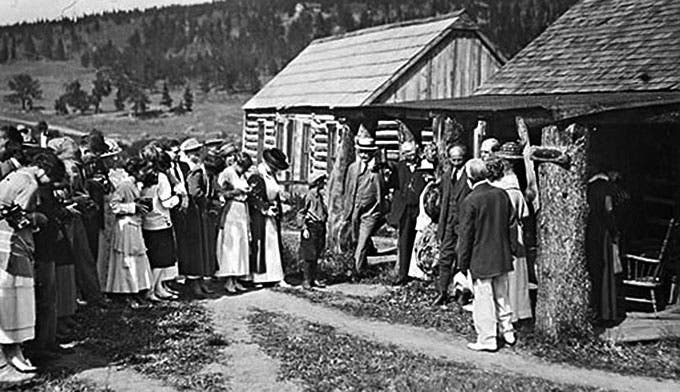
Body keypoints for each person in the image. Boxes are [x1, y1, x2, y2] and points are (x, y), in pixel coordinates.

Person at [1, 152, 63, 378]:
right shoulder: (30, 184)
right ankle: (8, 360)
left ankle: (13, 354)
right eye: (52, 178)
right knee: (16, 303)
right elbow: (20, 219)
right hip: (13, 247)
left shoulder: (15, 176)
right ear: (44, 171)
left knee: (7, 304)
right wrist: (39, 219)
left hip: (3, 244)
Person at [457, 158, 515, 352]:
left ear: (470, 178)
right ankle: (508, 331)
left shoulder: (470, 201)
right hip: (502, 252)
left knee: (483, 299)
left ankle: (487, 338)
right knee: (502, 295)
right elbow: (511, 222)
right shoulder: (501, 195)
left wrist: (462, 263)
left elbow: (465, 236)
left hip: (481, 255)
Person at [487, 143, 533, 323]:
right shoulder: (510, 185)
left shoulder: (509, 186)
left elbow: (518, 213)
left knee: (510, 272)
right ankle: (512, 310)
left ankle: (513, 311)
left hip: (509, 231)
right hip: (510, 229)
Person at [104, 158, 153, 306]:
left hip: (134, 225)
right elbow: (114, 205)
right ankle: (126, 292)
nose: (148, 173)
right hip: (125, 226)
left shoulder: (135, 185)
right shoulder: (125, 186)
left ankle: (136, 290)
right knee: (127, 260)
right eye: (145, 170)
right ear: (137, 171)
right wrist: (132, 207)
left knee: (136, 259)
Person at [342, 126, 387, 279]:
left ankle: (356, 272)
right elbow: (347, 190)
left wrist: (377, 168)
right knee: (354, 241)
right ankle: (359, 265)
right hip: (355, 210)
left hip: (371, 212)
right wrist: (347, 211)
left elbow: (382, 189)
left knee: (362, 241)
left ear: (373, 153)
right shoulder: (353, 168)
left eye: (367, 152)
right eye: (362, 152)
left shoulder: (377, 170)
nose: (364, 155)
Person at [140, 146, 180, 301]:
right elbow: (166, 201)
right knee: (161, 259)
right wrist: (178, 198)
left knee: (156, 258)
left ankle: (158, 287)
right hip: (160, 220)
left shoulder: (146, 175)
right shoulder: (161, 177)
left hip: (148, 220)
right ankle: (151, 289)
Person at [434, 144, 470, 307]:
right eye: (453, 160)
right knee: (444, 257)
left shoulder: (469, 176)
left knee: (463, 259)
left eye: (459, 160)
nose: (456, 163)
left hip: (464, 223)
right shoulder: (447, 176)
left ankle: (462, 292)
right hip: (448, 221)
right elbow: (444, 201)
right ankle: (442, 291)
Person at [388, 140, 428, 286]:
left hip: (419, 209)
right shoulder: (400, 167)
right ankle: (403, 275)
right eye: (405, 154)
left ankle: (419, 275)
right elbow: (391, 185)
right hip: (405, 209)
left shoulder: (425, 166)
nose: (408, 156)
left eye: (410, 153)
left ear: (417, 150)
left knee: (420, 241)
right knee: (404, 241)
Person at [248, 148, 290, 286]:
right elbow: (254, 198)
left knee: (273, 245)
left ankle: (276, 275)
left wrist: (278, 205)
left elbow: (274, 192)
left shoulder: (272, 176)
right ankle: (259, 277)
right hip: (260, 216)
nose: (275, 169)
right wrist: (265, 208)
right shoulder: (257, 176)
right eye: (273, 166)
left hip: (272, 214)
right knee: (260, 243)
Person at [586, 165, 621, 325]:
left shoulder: (587, 187)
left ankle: (594, 308)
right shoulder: (607, 187)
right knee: (606, 270)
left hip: (590, 231)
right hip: (604, 232)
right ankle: (606, 312)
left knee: (594, 271)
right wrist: (614, 231)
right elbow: (609, 209)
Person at [215, 153, 253, 293]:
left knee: (241, 244)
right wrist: (235, 192)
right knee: (232, 243)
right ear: (237, 163)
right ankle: (228, 279)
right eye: (242, 167)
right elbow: (220, 192)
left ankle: (237, 278)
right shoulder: (227, 173)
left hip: (242, 209)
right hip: (231, 209)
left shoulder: (241, 175)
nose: (243, 170)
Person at [298, 172, 329, 289]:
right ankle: (306, 279)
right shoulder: (309, 196)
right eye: (322, 181)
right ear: (317, 182)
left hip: (320, 226)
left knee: (317, 253)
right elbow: (301, 213)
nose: (323, 184)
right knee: (309, 254)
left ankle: (314, 278)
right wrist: (304, 227)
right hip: (311, 226)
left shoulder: (320, 196)